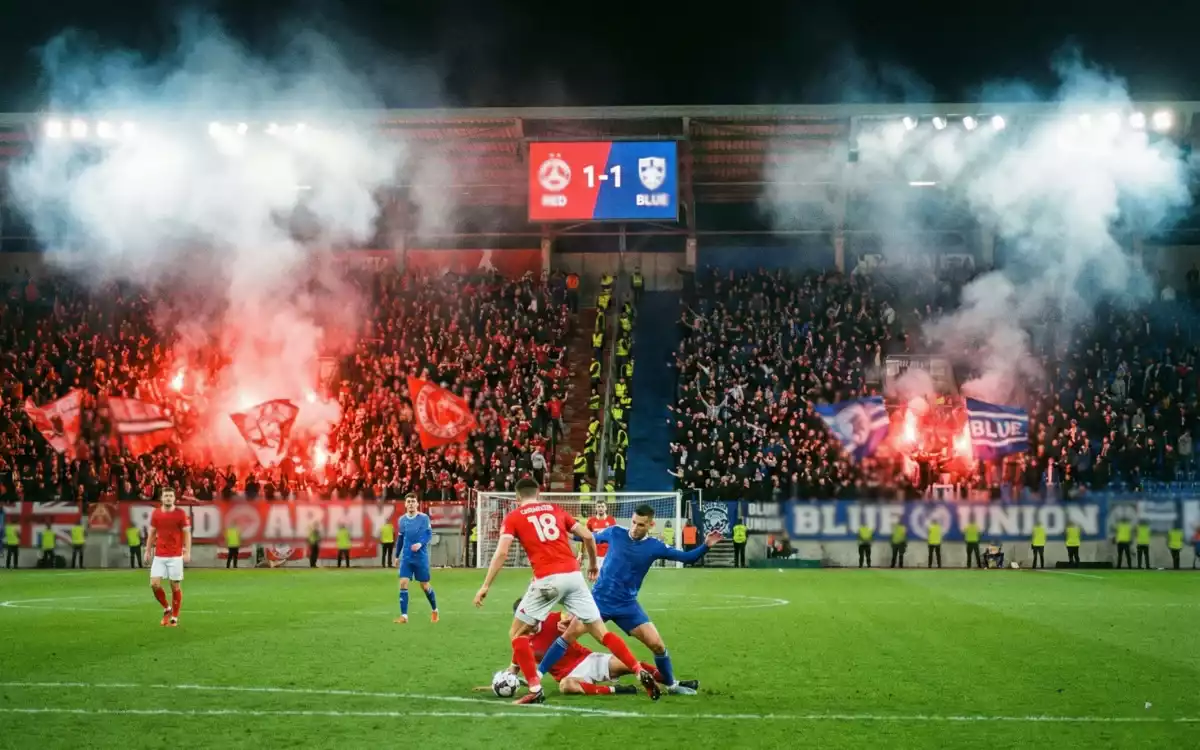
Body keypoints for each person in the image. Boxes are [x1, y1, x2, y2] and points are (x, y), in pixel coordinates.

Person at [473, 478, 657, 705]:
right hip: (574, 576)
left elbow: (501, 553)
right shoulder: (555, 509)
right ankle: (638, 670)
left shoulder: (514, 517)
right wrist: (591, 564)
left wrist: (485, 585)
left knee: (517, 634)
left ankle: (535, 688)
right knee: (601, 633)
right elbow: (588, 536)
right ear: (538, 493)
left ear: (518, 497)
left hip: (547, 579)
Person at [555, 504, 720, 695]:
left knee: (657, 644)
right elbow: (588, 536)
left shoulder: (655, 546)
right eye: (633, 522)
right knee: (567, 636)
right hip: (599, 601)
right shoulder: (616, 532)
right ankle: (534, 677)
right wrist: (565, 530)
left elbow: (687, 558)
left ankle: (672, 685)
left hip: (627, 605)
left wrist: (706, 545)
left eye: (641, 525)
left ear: (651, 524)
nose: (634, 528)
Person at [146, 489, 191, 627]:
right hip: (159, 555)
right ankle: (167, 608)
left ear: (174, 498)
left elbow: (187, 533)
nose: (168, 498)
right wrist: (147, 550)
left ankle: (175, 617)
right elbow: (152, 532)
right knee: (154, 584)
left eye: (171, 496)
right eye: (166, 496)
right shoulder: (156, 513)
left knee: (175, 586)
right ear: (161, 498)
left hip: (175, 556)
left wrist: (187, 552)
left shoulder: (180, 514)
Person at [395, 494, 438, 624]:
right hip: (407, 558)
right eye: (409, 501)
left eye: (413, 501)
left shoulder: (424, 518)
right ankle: (404, 616)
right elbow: (401, 539)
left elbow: (428, 534)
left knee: (424, 585)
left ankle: (435, 610)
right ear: (405, 504)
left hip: (420, 557)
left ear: (417, 504)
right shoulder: (402, 520)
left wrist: (420, 544)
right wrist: (397, 555)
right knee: (403, 582)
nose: (411, 504)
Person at [582, 501, 617, 568]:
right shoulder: (591, 521)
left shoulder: (611, 520)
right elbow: (585, 536)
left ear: (606, 508)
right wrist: (583, 552)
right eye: (598, 506)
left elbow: (615, 537)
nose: (600, 508)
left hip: (608, 554)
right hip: (595, 554)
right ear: (596, 508)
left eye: (602, 506)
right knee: (595, 576)